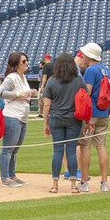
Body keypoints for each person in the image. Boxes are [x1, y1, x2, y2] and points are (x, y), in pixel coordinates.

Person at [43, 53, 85, 194]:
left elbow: (46, 105)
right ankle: (73, 185)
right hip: (74, 119)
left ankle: (55, 184)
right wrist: (85, 122)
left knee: (58, 151)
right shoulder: (78, 80)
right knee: (71, 151)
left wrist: (45, 123)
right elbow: (85, 100)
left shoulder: (52, 81)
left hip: (56, 118)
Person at [78, 42, 110, 192]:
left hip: (91, 115)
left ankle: (84, 182)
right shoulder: (105, 69)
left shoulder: (91, 70)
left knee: (85, 147)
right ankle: (104, 182)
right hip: (104, 113)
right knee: (101, 146)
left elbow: (87, 92)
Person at [0, 51, 32, 187]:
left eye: (26, 60)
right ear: (16, 64)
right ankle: (5, 178)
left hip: (22, 117)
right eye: (23, 61)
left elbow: (23, 94)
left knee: (15, 149)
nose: (26, 63)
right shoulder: (12, 77)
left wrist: (29, 93)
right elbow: (1, 93)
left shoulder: (23, 77)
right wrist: (18, 94)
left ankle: (12, 175)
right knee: (8, 149)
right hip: (12, 116)